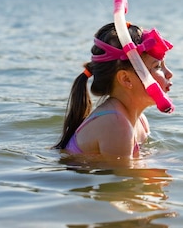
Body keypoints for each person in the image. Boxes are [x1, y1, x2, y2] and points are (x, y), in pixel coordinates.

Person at [54, 22, 174, 158]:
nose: (169, 73)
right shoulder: (115, 125)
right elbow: (125, 176)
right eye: (157, 66)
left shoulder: (140, 120)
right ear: (126, 79)